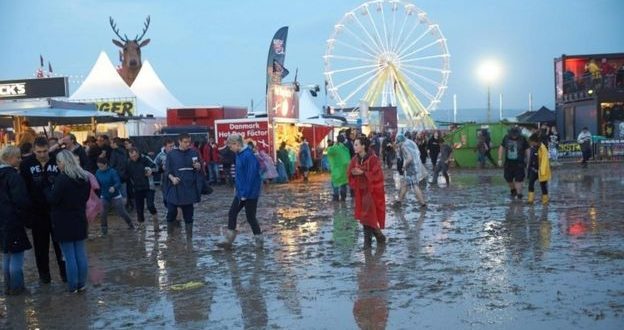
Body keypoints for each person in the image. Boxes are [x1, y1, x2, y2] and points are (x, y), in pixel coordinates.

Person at [19, 137, 66, 284]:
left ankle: (64, 275)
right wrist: (27, 214)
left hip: (56, 211)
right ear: (34, 150)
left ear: (48, 148)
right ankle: (44, 276)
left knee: (60, 245)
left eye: (45, 151)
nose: (42, 154)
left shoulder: (57, 161)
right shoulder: (26, 164)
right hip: (37, 213)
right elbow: (23, 189)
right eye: (39, 151)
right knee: (40, 247)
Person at [43, 150, 90, 293]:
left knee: (69, 257)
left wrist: (46, 189)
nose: (57, 166)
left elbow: (52, 199)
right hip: (80, 218)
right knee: (80, 254)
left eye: (58, 162)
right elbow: (86, 198)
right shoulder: (84, 177)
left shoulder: (62, 179)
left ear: (62, 162)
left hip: (63, 221)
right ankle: (81, 284)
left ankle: (72, 286)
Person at [217, 134, 263, 249]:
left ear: (236, 144)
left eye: (230, 146)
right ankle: (229, 240)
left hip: (249, 193)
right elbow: (240, 175)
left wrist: (244, 194)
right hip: (241, 192)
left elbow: (251, 176)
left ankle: (259, 241)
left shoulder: (248, 155)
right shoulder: (239, 154)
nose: (230, 149)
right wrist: (237, 188)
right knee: (233, 213)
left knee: (250, 217)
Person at [0, 145, 32, 295]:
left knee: (6, 255)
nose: (20, 160)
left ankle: (7, 286)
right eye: (17, 157)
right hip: (12, 220)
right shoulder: (13, 176)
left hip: (2, 222)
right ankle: (17, 288)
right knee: (16, 257)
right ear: (8, 158)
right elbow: (21, 200)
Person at [348, 136, 386, 249]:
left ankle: (367, 244)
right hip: (361, 192)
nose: (354, 147)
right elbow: (349, 172)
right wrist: (354, 173)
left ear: (363, 146)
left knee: (367, 216)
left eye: (356, 144)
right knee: (366, 216)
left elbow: (378, 175)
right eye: (354, 145)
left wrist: (363, 173)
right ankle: (379, 237)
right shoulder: (355, 159)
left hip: (372, 191)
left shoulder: (373, 159)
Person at [164, 133, 203, 233]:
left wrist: (198, 167)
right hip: (175, 186)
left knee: (189, 214)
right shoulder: (171, 154)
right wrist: (172, 178)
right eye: (185, 142)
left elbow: (199, 169)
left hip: (189, 187)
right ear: (179, 142)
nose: (187, 144)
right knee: (171, 211)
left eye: (189, 142)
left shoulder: (194, 153)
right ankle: (170, 235)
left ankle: (189, 240)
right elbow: (167, 171)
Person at [95, 157, 135, 235]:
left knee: (121, 212)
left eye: (101, 166)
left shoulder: (112, 172)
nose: (100, 168)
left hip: (115, 195)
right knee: (103, 212)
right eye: (98, 166)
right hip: (104, 195)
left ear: (106, 165)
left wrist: (114, 187)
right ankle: (104, 231)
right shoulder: (98, 172)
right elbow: (97, 183)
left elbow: (118, 182)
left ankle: (130, 224)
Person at [127, 147, 158, 230]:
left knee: (150, 205)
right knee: (139, 208)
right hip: (137, 188)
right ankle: (141, 225)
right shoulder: (129, 163)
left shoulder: (145, 159)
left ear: (138, 153)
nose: (133, 158)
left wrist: (151, 170)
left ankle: (155, 219)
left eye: (135, 156)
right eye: (131, 156)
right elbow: (128, 175)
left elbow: (156, 167)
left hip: (149, 187)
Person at [395, 134, 427, 207]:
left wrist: (404, 166)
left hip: (411, 168)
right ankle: (399, 201)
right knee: (405, 184)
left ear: (400, 141)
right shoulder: (409, 143)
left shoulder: (403, 146)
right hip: (414, 167)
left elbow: (409, 158)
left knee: (415, 186)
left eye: (398, 142)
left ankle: (423, 203)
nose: (397, 144)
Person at [498, 126, 529, 200]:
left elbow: (527, 149)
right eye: (513, 134)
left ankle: (519, 194)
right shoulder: (506, 138)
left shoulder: (522, 139)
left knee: (519, 179)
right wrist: (500, 159)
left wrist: (529, 160)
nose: (514, 136)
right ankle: (513, 190)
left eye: (516, 134)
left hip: (519, 162)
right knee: (508, 177)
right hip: (508, 162)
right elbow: (501, 148)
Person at [527, 133, 551, 205]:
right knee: (531, 183)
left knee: (543, 186)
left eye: (531, 141)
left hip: (541, 171)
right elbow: (531, 159)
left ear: (535, 141)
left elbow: (544, 160)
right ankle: (530, 200)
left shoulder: (543, 148)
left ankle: (545, 200)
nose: (531, 143)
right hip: (533, 169)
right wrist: (529, 169)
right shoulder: (533, 148)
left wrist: (542, 172)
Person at [326, 135, 351, 201]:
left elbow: (328, 151)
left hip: (336, 169)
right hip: (344, 169)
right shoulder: (346, 149)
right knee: (343, 183)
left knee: (335, 183)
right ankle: (343, 197)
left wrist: (332, 145)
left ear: (337, 140)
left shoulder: (335, 148)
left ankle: (336, 197)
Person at [109, 137, 131, 211]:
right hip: (124, 175)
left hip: (117, 175)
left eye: (111, 143)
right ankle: (124, 208)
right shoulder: (125, 150)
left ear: (115, 144)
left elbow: (112, 164)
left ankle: (121, 209)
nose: (110, 145)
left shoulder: (114, 152)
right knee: (124, 193)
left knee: (118, 193)